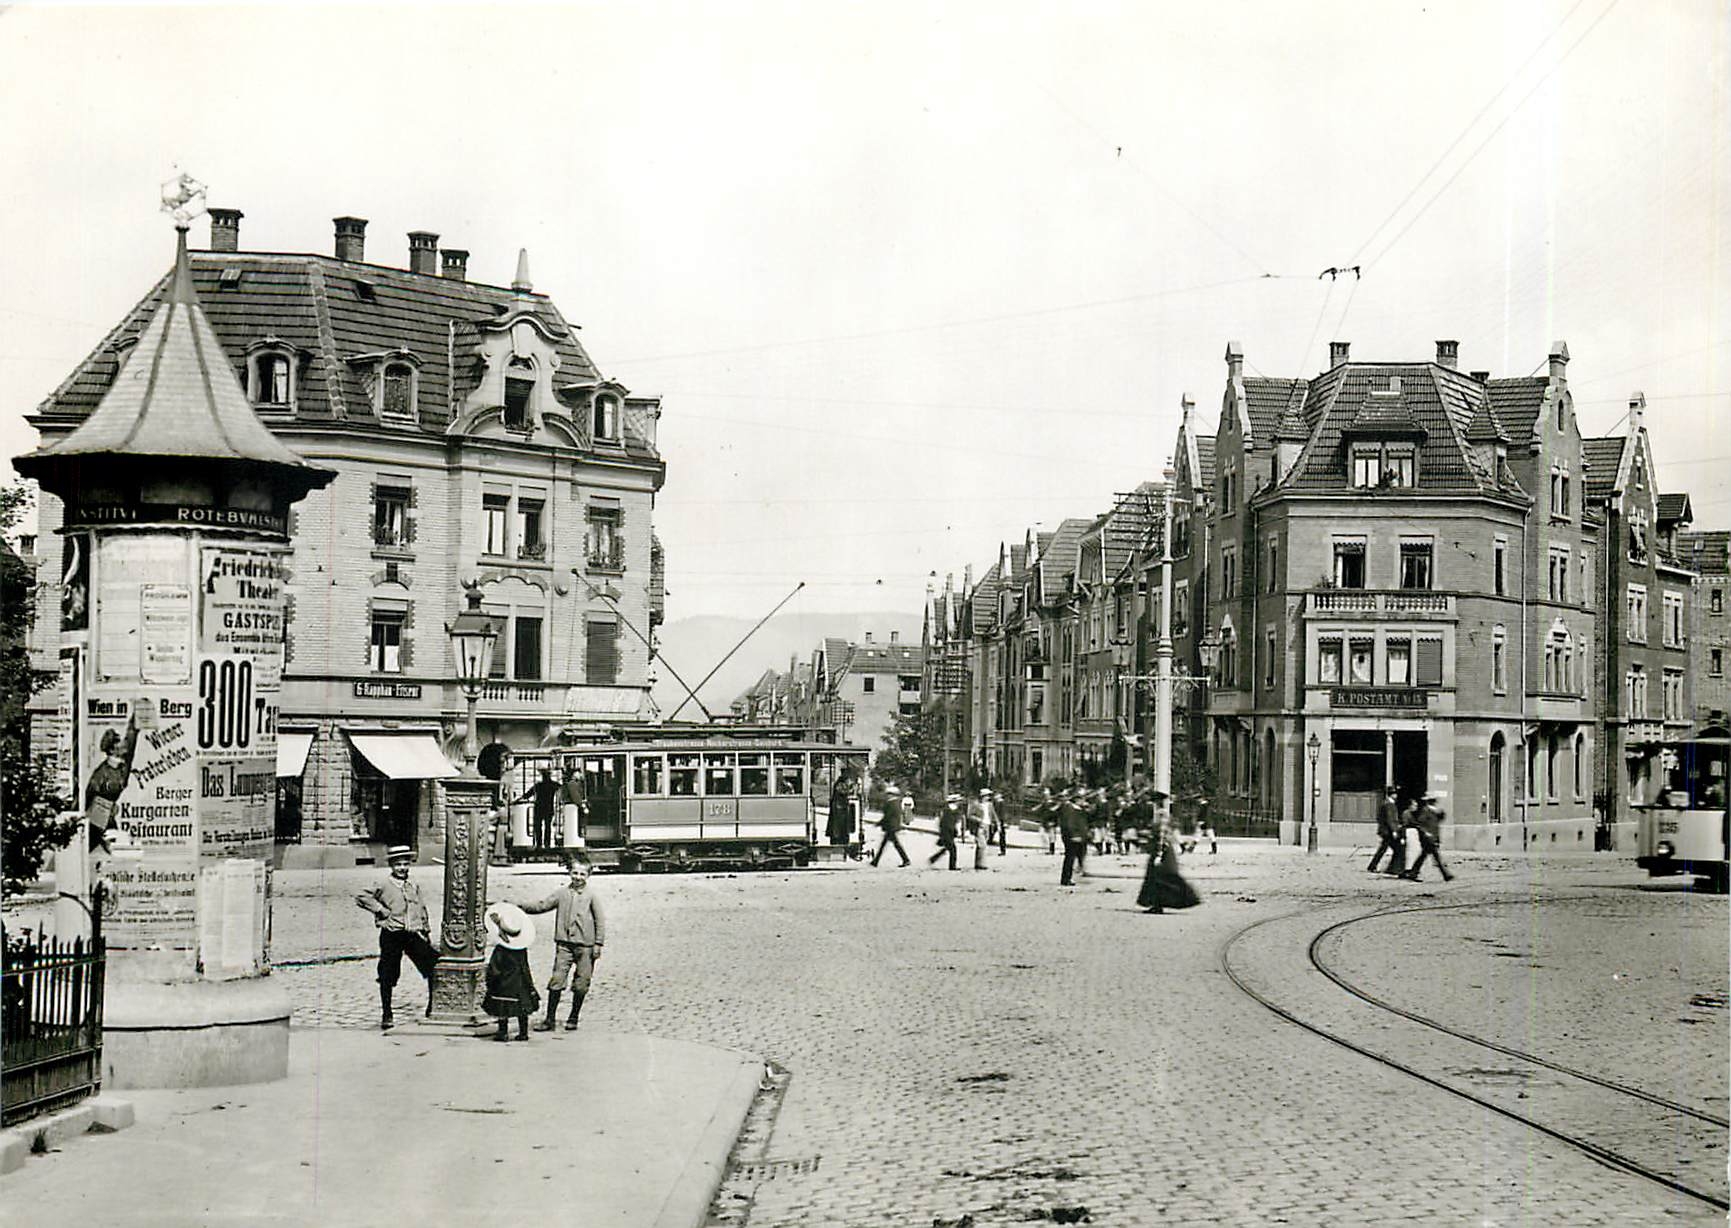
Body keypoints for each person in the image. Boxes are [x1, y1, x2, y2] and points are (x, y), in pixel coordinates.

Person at [514, 857, 607, 1030]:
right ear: (569, 873)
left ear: (589, 875)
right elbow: (542, 905)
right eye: (575, 873)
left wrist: (598, 944)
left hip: (586, 947)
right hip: (564, 946)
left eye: (582, 874)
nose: (578, 877)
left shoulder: (591, 896)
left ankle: (573, 1017)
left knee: (581, 983)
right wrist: (519, 906)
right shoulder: (562, 893)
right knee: (557, 980)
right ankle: (549, 1019)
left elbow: (600, 920)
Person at [354, 845, 440, 1029]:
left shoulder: (413, 885)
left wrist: (425, 930)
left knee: (433, 965)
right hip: (392, 934)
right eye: (398, 864)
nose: (402, 868)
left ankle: (432, 1007)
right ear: (391, 866)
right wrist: (381, 910)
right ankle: (387, 1013)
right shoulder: (384, 884)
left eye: (405, 864)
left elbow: (421, 908)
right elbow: (362, 896)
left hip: (412, 933)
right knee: (387, 973)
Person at [1136, 791, 1202, 913]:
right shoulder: (1164, 814)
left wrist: (1159, 854)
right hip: (1164, 850)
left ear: (1156, 802)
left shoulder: (1161, 815)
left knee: (1159, 877)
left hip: (1162, 850)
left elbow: (1162, 836)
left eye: (1153, 801)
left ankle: (1158, 905)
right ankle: (1157, 904)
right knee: (1160, 878)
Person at [482, 903, 539, 1042]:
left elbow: (494, 969)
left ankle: (503, 1032)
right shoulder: (521, 949)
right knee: (522, 1010)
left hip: (503, 984)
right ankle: (523, 1032)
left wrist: (490, 981)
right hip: (519, 983)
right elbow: (525, 967)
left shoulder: (501, 950)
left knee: (502, 1009)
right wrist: (529, 984)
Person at [84, 717, 139, 853]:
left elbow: (131, 742)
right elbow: (88, 796)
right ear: (113, 748)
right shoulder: (101, 773)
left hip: (107, 817)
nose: (124, 744)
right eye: (120, 743)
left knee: (113, 850)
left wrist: (134, 722)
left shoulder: (123, 766)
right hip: (98, 819)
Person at [1401, 793, 1454, 882]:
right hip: (1428, 838)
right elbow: (1420, 824)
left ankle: (1413, 873)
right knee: (1436, 857)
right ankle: (1446, 874)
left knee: (1423, 856)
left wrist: (1441, 814)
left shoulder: (1434, 811)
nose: (1435, 803)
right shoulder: (1425, 811)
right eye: (1433, 801)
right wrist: (1426, 833)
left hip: (1433, 837)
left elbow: (1439, 820)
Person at [516, 767, 561, 851]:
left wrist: (516, 801)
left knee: (538, 827)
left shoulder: (538, 785)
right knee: (548, 827)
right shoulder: (554, 785)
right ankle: (547, 844)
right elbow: (561, 789)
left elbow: (527, 795)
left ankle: (539, 844)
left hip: (539, 807)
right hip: (548, 808)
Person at [871, 785, 912, 867]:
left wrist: (879, 823)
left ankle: (906, 860)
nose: (886, 796)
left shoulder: (892, 803)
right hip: (892, 826)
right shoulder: (896, 802)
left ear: (892, 794)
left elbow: (888, 816)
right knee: (891, 845)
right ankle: (875, 861)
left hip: (891, 827)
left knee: (889, 845)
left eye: (888, 794)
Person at [1368, 785, 1405, 875]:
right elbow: (1390, 819)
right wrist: (1394, 831)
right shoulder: (1389, 804)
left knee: (1384, 849)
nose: (1396, 795)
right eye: (1394, 793)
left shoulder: (1387, 803)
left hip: (1386, 831)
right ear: (1391, 795)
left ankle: (1374, 866)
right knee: (1398, 849)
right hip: (1388, 831)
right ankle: (1392, 868)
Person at [1058, 787, 1091, 886]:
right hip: (1072, 837)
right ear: (1077, 800)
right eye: (1082, 799)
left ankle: (1069, 877)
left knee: (1073, 857)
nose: (1083, 801)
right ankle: (1066, 878)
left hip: (1077, 837)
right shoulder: (1070, 809)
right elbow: (1069, 824)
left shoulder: (1077, 809)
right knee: (1070, 858)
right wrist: (1074, 835)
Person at [930, 793, 962, 870]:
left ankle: (934, 858)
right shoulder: (946, 810)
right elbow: (940, 820)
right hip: (945, 830)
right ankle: (952, 866)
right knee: (952, 848)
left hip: (952, 830)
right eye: (958, 801)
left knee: (949, 847)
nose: (959, 802)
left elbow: (957, 821)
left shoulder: (955, 810)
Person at [559, 764, 587, 848]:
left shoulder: (574, 783)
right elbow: (576, 797)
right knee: (579, 823)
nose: (581, 775)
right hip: (573, 809)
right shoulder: (572, 784)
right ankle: (578, 839)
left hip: (572, 808)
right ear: (575, 775)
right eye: (579, 773)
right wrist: (583, 806)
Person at [828, 772, 856, 851]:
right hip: (839, 808)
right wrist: (851, 788)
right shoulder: (840, 785)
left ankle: (841, 839)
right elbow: (844, 792)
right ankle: (839, 840)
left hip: (841, 807)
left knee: (842, 825)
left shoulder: (840, 784)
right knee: (838, 826)